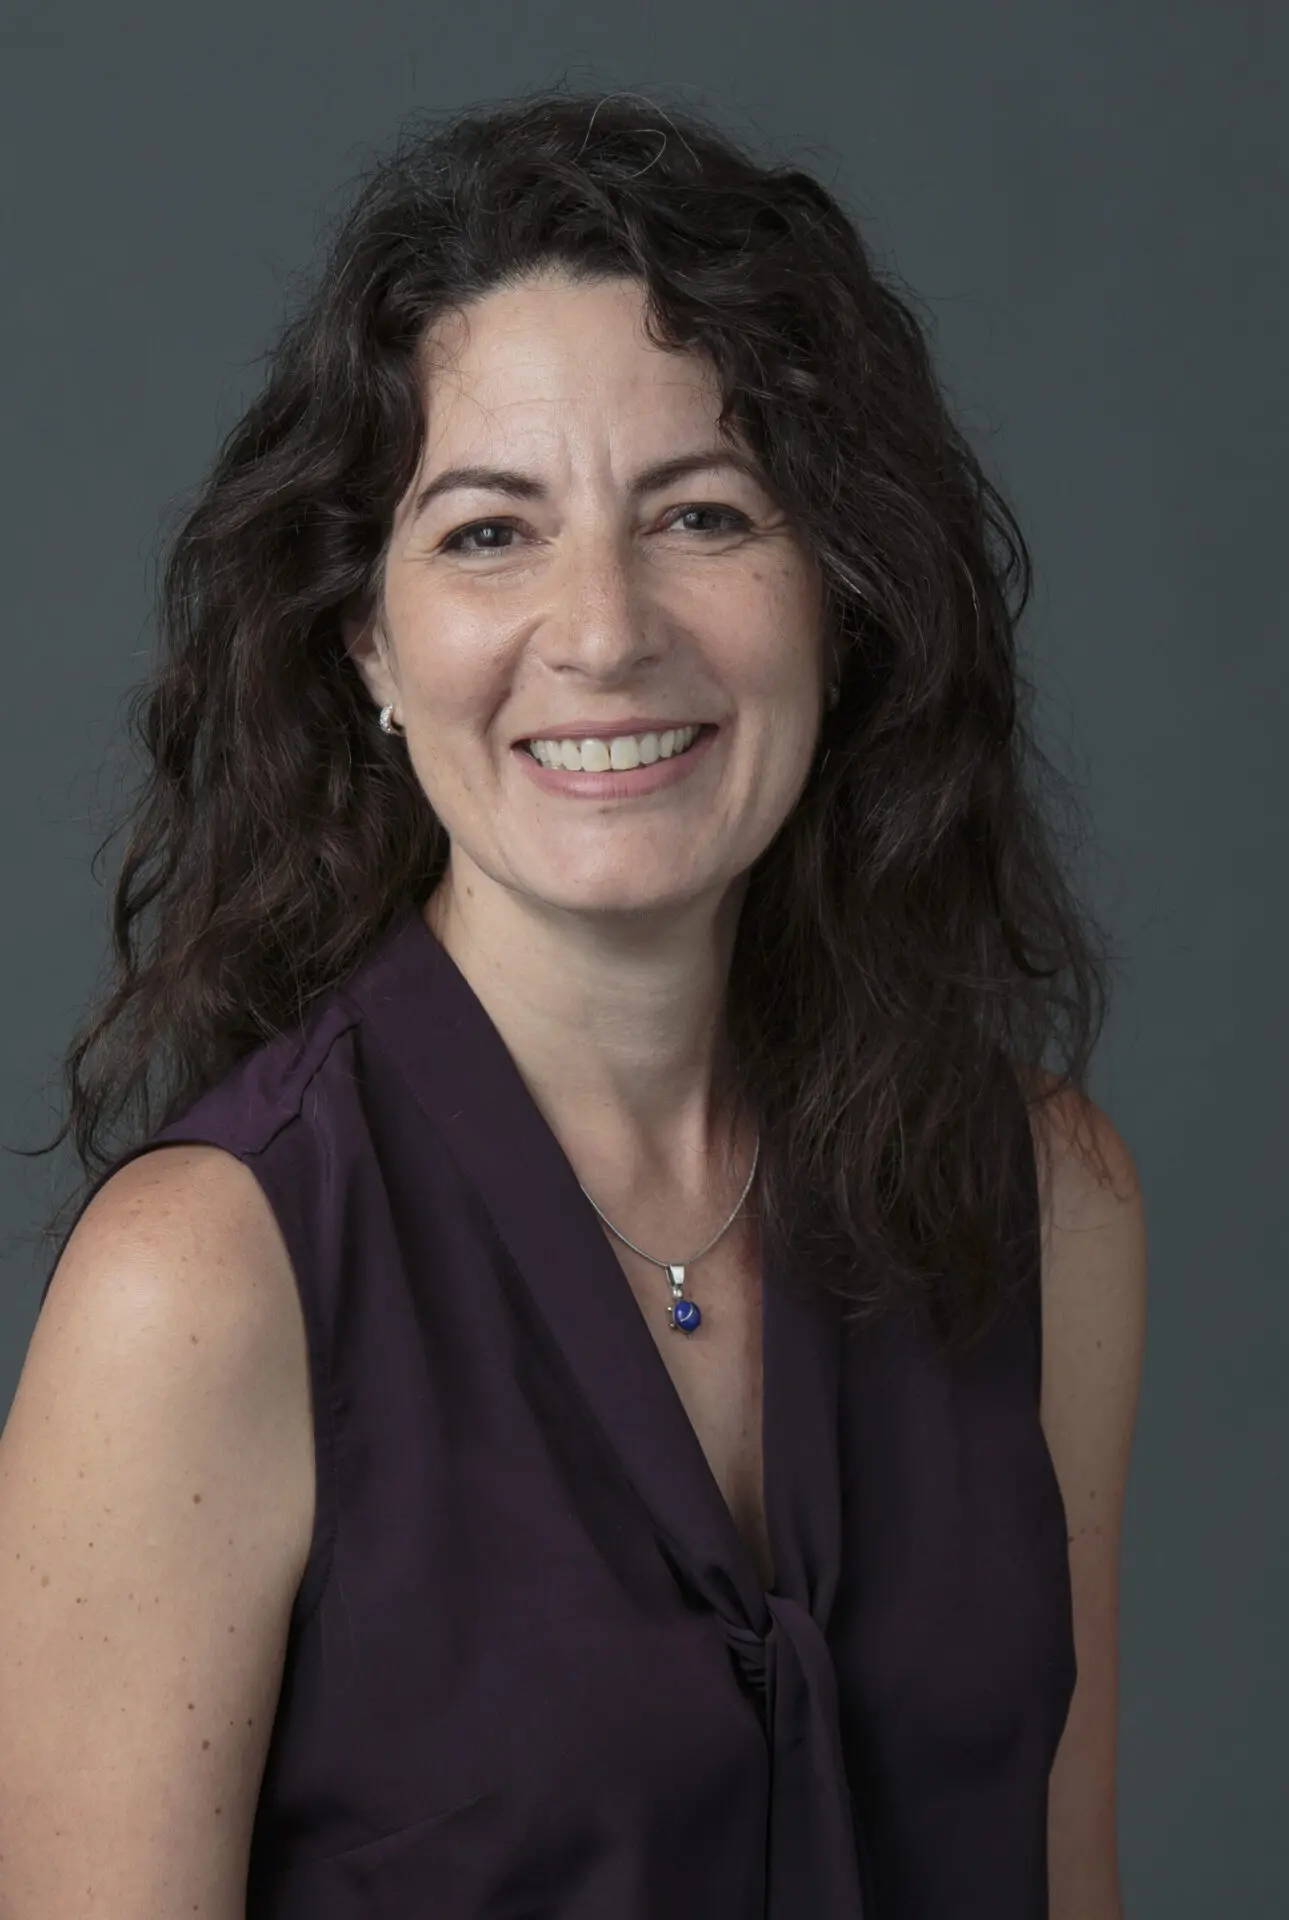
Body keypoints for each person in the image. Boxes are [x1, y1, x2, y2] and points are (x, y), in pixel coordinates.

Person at [0, 90, 1147, 1919]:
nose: (603, 628)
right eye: (486, 534)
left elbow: (1058, 1883)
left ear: (837, 600)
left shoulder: (1049, 1201)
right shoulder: (199, 1292)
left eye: (702, 513)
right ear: (368, 642)